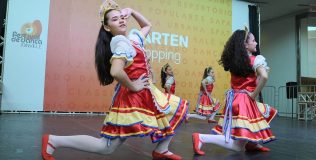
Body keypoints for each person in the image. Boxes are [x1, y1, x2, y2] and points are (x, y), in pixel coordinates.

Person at [41, 1, 188, 160]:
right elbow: (116, 71)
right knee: (105, 147)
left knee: (179, 109)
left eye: (122, 17)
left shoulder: (133, 38)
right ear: (107, 27)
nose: (121, 20)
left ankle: (162, 149)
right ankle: (53, 141)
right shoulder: (121, 43)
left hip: (147, 93)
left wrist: (131, 11)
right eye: (115, 19)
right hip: (132, 98)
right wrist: (134, 86)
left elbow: (147, 26)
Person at [192, 28, 277, 156]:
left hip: (235, 99)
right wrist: (254, 95)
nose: (256, 43)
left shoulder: (235, 62)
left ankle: (251, 143)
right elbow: (264, 77)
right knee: (237, 147)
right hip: (244, 101)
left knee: (266, 112)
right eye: (253, 41)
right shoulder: (255, 60)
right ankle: (202, 138)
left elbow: (252, 80)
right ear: (245, 45)